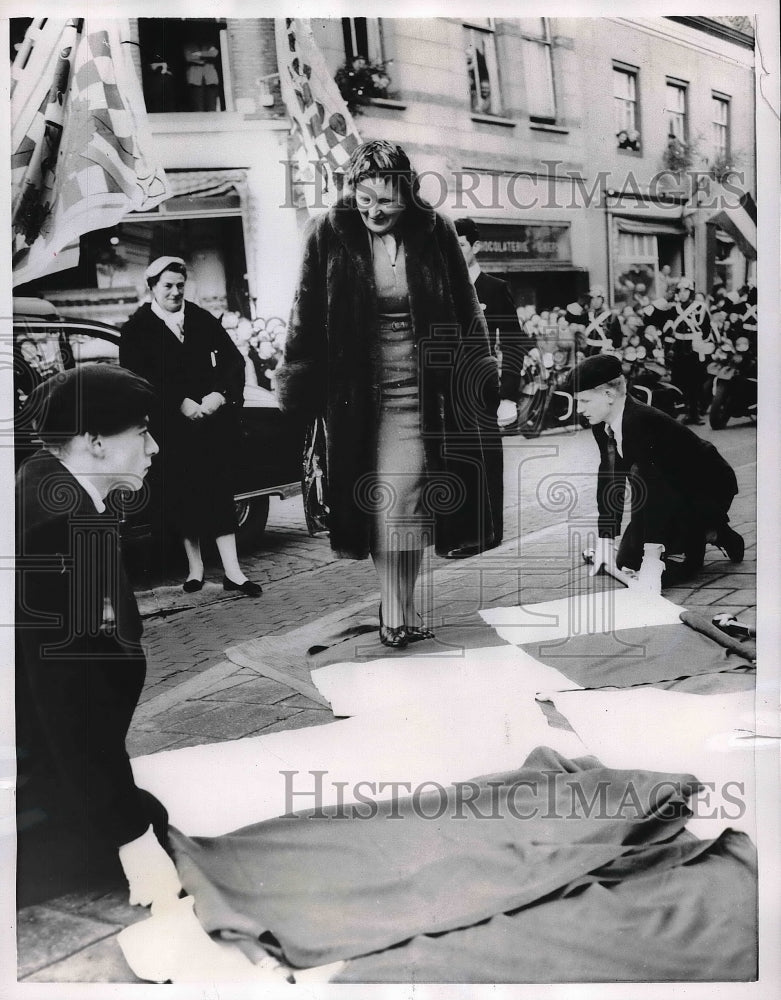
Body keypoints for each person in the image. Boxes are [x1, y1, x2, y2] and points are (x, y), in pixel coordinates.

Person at [276, 140, 501, 648]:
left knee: (415, 504)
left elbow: (467, 312)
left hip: (428, 394)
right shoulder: (327, 234)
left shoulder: (436, 231)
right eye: (364, 197)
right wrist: (300, 384)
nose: (373, 210)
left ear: (408, 194)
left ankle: (404, 606)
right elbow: (305, 316)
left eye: (386, 200)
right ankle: (391, 610)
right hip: (360, 399)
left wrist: (478, 375)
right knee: (386, 503)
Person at [15, 365, 181, 907]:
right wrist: (135, 846)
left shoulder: (48, 484)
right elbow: (70, 703)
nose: (154, 447)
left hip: (34, 753)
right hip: (26, 777)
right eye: (142, 432)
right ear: (94, 443)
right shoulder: (59, 528)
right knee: (147, 825)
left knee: (147, 810)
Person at [120, 256, 261, 596]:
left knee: (218, 495)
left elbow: (233, 360)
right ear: (152, 287)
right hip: (171, 430)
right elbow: (137, 378)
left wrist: (220, 394)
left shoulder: (199, 318)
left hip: (210, 425)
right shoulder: (137, 328)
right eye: (167, 286)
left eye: (180, 285)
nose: (175, 292)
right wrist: (177, 403)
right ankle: (195, 569)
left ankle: (233, 571)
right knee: (183, 496)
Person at [568, 354, 744, 593]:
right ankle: (694, 534)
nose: (579, 410)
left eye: (585, 401)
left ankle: (715, 532)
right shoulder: (602, 422)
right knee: (626, 562)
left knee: (669, 566)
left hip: (705, 489)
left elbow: (656, 488)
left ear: (609, 396)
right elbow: (610, 475)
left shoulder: (642, 421)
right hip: (665, 489)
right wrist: (605, 540)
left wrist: (652, 560)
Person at [453, 216, 532, 553]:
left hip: (485, 388)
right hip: (451, 389)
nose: (455, 253)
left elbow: (514, 341)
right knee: (456, 460)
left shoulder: (493, 288)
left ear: (475, 246)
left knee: (486, 458)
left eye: (460, 246)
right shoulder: (445, 289)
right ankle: (462, 533)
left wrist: (508, 393)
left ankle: (490, 532)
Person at [662, 276, 717, 425]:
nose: (682, 293)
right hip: (680, 347)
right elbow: (666, 326)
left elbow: (706, 329)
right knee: (682, 381)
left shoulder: (700, 307)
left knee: (696, 381)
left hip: (695, 348)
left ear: (691, 292)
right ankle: (687, 411)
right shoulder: (674, 308)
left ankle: (696, 413)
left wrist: (699, 342)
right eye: (679, 291)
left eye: (686, 290)